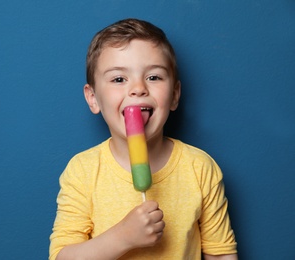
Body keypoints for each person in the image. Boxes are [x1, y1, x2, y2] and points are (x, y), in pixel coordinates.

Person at [49, 18, 237, 260]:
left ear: (174, 95)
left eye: (154, 77)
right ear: (93, 98)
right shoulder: (82, 172)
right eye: (119, 79)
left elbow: (221, 254)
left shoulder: (200, 168)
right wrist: (123, 237)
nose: (138, 88)